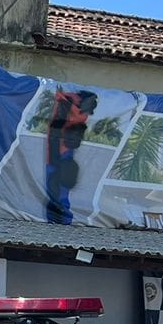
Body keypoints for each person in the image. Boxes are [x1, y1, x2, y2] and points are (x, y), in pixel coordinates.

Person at [45, 88, 98, 225]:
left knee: (57, 187)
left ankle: (59, 220)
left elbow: (57, 130)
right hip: (62, 150)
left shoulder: (68, 104)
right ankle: (61, 220)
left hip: (60, 150)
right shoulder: (72, 105)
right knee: (59, 188)